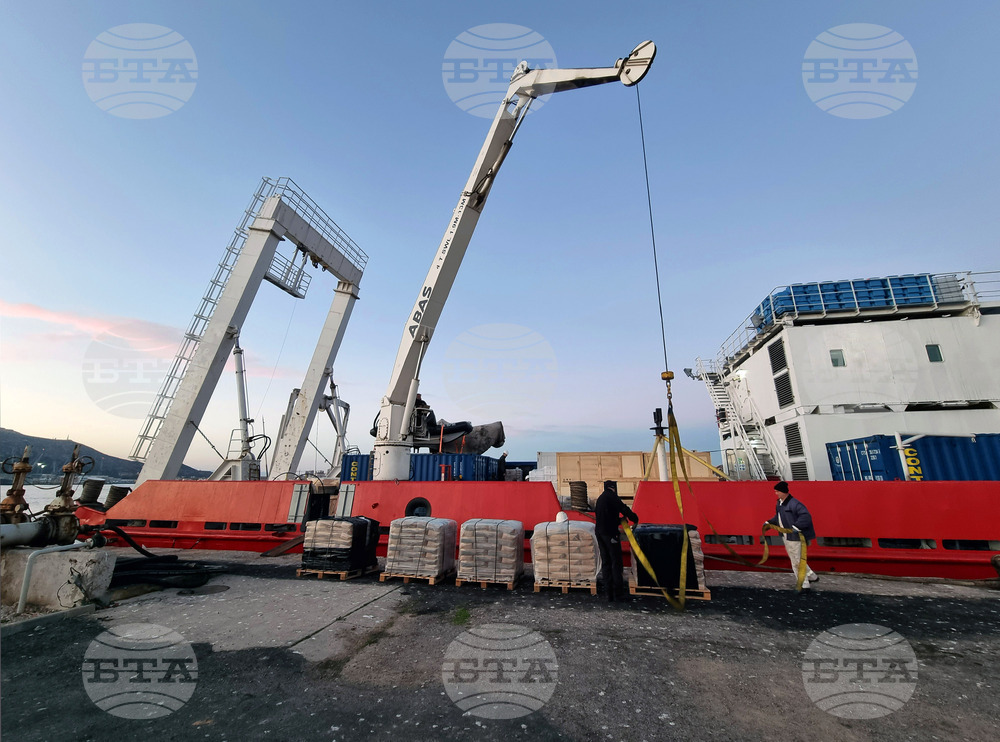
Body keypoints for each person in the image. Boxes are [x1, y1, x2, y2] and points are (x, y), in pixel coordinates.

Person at [765, 481, 819, 590]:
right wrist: (769, 522)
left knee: (796, 561)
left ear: (784, 492)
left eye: (777, 491)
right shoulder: (780, 503)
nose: (776, 493)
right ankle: (812, 576)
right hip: (787, 536)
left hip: (795, 537)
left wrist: (796, 527)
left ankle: (804, 585)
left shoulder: (794, 504)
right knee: (796, 558)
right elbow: (778, 517)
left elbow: (806, 516)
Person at [595, 480, 639, 603]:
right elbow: (623, 508)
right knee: (616, 562)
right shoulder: (612, 497)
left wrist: (619, 521)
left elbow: (606, 517)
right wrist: (634, 518)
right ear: (613, 488)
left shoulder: (601, 499)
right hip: (610, 534)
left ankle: (608, 594)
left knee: (606, 563)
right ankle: (618, 594)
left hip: (600, 533)